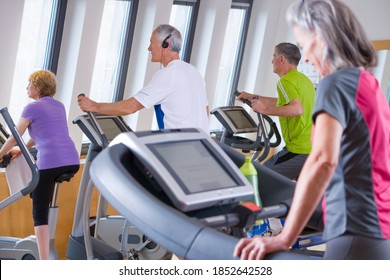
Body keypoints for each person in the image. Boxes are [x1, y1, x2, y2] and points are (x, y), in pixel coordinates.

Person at [234, 0, 390, 260]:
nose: (305, 56)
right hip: (378, 224)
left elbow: (322, 160)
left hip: (354, 226)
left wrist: (285, 237)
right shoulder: (366, 81)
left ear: (321, 36)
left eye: (306, 45)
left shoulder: (335, 83)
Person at [0, 70, 80, 260]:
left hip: (51, 162)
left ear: (37, 87)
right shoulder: (59, 106)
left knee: (39, 213)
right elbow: (44, 134)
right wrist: (23, 149)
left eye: (29, 84)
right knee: (37, 192)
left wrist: (1, 153)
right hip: (72, 160)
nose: (27, 88)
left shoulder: (32, 107)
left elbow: (13, 137)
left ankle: (44, 263)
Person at [78, 24, 210, 133]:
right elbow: (205, 111)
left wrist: (94, 106)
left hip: (179, 149)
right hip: (202, 147)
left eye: (152, 43)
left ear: (166, 45)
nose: (149, 48)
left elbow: (128, 108)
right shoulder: (194, 72)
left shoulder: (168, 74)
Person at [237, 42, 315, 180]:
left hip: (298, 150)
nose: (272, 60)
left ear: (281, 59)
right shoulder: (304, 81)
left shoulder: (285, 81)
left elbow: (297, 109)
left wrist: (264, 109)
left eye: (274, 56)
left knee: (259, 176)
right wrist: (251, 97)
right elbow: (283, 102)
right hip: (311, 148)